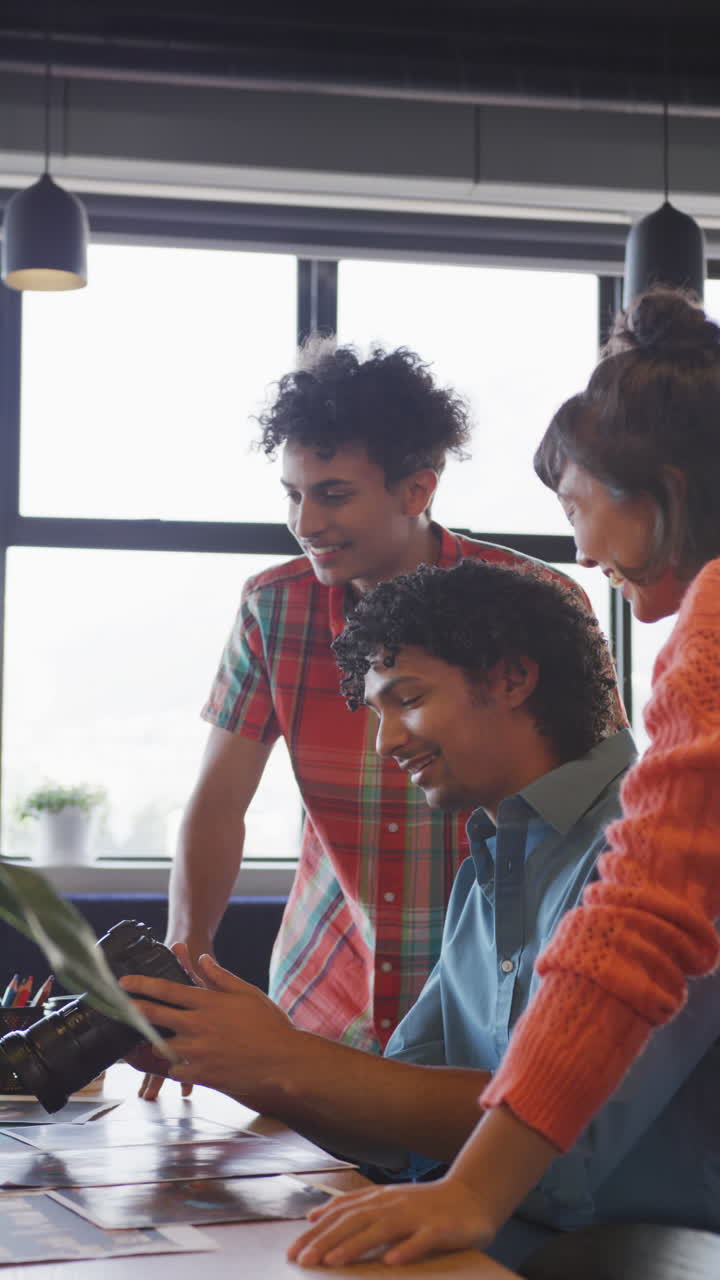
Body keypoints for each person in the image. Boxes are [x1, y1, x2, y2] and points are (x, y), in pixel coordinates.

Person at [290, 286, 720, 1267]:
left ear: (664, 487)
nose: (579, 546)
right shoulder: (486, 853)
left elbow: (640, 923)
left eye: (576, 504)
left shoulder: (711, 625)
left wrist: (473, 1193)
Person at [126, 561, 718, 1269]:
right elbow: (399, 1128)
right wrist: (242, 1061)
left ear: (511, 679)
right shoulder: (487, 870)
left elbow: (568, 1134)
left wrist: (290, 1060)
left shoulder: (664, 853)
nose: (386, 744)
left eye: (406, 699)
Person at [153, 339, 602, 1101]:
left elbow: (594, 803)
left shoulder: (533, 602)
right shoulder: (274, 606)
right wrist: (183, 967)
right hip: (324, 998)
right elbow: (219, 802)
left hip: (488, 1003)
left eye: (332, 494)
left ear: (416, 488)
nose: (304, 521)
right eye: (291, 494)